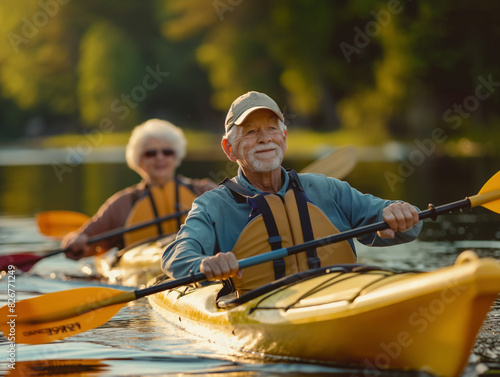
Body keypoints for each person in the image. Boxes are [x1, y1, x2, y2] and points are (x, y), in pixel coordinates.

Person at [161, 91, 422, 295]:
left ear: (284, 137)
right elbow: (176, 256)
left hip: (339, 296)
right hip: (261, 310)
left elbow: (398, 224)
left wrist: (401, 213)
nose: (264, 138)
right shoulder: (212, 206)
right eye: (251, 132)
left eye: (272, 129)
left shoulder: (326, 188)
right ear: (229, 149)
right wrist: (204, 265)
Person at [62, 118, 217, 260]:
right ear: (138, 159)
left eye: (167, 152)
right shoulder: (121, 204)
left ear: (176, 157)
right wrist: (75, 240)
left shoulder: (205, 191)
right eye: (151, 153)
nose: (160, 158)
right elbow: (85, 241)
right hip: (143, 274)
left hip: (198, 264)